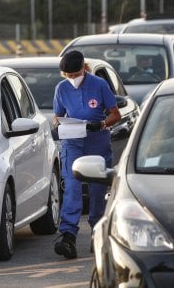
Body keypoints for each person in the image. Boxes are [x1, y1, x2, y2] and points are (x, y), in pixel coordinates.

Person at [52, 50, 121, 259]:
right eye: (68, 76)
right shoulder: (61, 88)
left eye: (75, 75)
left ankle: (98, 229)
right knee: (72, 187)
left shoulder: (99, 85)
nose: (72, 80)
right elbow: (58, 116)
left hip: (97, 143)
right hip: (72, 143)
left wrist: (100, 123)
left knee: (97, 189)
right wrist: (57, 127)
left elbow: (115, 114)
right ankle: (68, 235)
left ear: (83, 68)